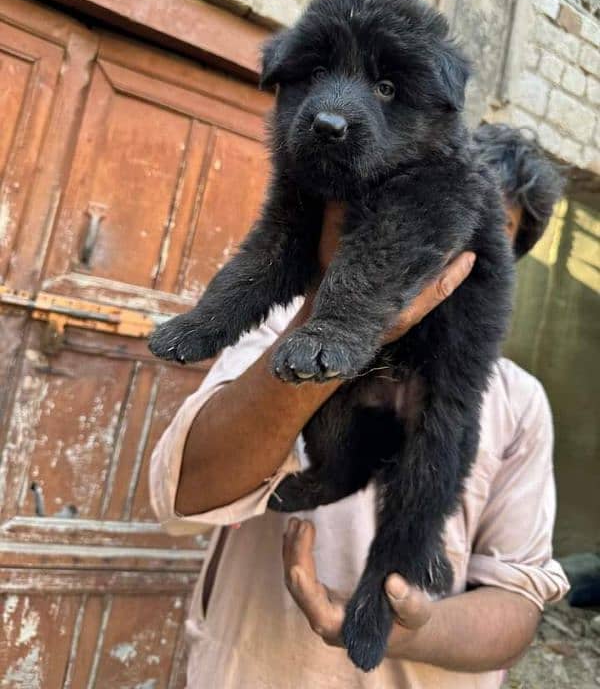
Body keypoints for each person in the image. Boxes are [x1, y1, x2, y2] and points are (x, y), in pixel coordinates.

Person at [150, 123, 568, 688]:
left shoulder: (518, 403)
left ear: (498, 259)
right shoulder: (284, 322)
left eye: (475, 227)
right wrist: (337, 315)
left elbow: (518, 606)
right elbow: (186, 491)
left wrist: (417, 626)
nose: (434, 239)